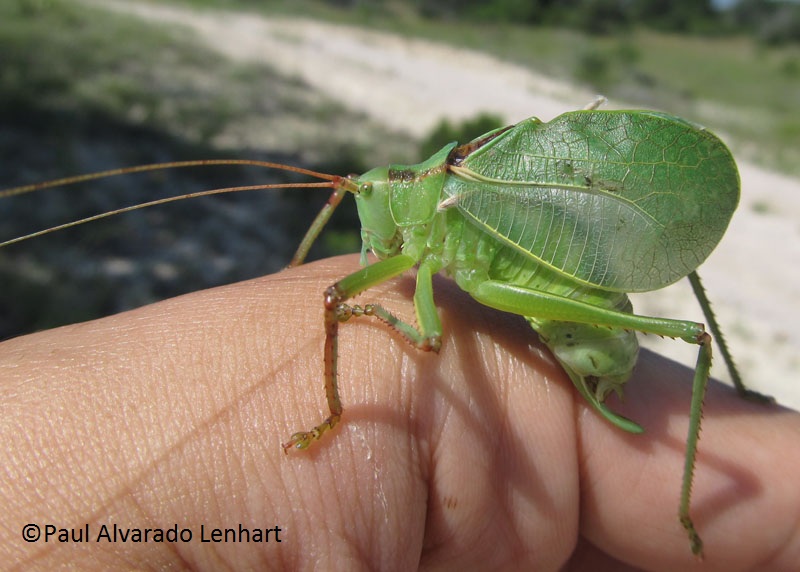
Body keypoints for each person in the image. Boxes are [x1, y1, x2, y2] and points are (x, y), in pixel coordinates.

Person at [2, 255, 798, 570]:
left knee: (687, 337)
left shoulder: (430, 236)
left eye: (371, 200)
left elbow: (423, 336)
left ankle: (694, 507)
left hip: (588, 330)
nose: (367, 224)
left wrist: (380, 320)